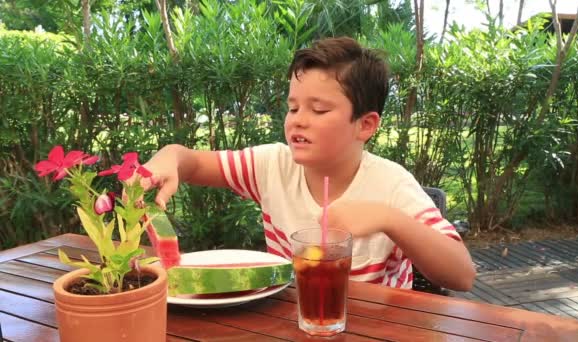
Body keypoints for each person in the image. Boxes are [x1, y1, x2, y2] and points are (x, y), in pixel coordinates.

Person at [139, 37, 475, 291]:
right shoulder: (272, 166)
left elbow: (462, 275)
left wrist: (389, 219)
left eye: (318, 110)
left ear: (365, 125)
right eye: (293, 107)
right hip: (292, 320)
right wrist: (170, 156)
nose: (298, 121)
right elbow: (192, 163)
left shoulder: (392, 185)